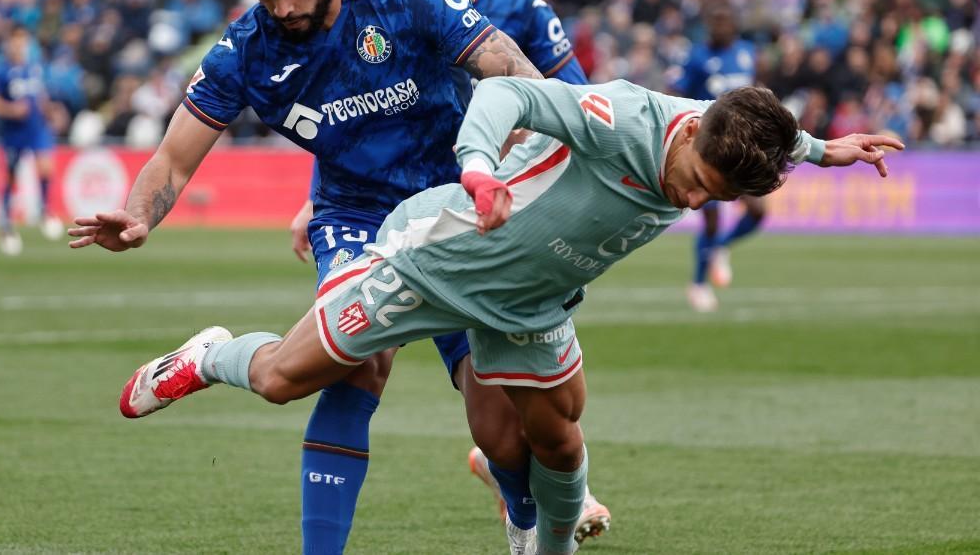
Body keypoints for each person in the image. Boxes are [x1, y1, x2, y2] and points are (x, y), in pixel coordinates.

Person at [116, 77, 902, 555]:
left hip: (529, 302)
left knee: (547, 439)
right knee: (283, 378)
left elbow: (779, 133)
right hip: (434, 260)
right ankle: (208, 354)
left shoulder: (729, 132)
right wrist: (481, 168)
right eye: (698, 180)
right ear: (690, 133)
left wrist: (831, 149)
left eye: (717, 198)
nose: (694, 200)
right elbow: (509, 94)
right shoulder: (627, 117)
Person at [67, 0, 545, 555]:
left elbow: (513, 72)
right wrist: (140, 214)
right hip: (357, 217)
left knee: (498, 419)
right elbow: (173, 159)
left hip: (454, 205)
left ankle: (525, 521)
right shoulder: (246, 50)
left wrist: (516, 159)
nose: (285, 9)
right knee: (355, 362)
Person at [285, 0, 608, 549]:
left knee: (507, 421)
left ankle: (520, 489)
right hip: (391, 213)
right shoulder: (384, 6)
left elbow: (576, 105)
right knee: (356, 359)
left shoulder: (517, 11)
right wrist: (320, 197)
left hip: (488, 223)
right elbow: (350, 109)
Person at [672, 0, 760, 312]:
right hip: (708, 147)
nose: (720, 25)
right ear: (707, 23)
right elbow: (677, 94)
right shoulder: (696, 57)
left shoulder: (748, 52)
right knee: (710, 219)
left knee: (758, 211)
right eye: (715, 20)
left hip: (744, 145)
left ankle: (720, 248)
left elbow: (756, 92)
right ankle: (698, 284)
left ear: (734, 22)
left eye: (725, 19)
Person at [0, 27, 63, 255]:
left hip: (36, 128)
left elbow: (40, 96)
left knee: (46, 166)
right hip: (13, 131)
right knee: (10, 175)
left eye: (23, 42)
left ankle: (45, 210)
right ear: (9, 45)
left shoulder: (34, 69)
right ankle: (6, 223)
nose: (20, 46)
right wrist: (11, 109)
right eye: (16, 42)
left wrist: (49, 111)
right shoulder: (0, 72)